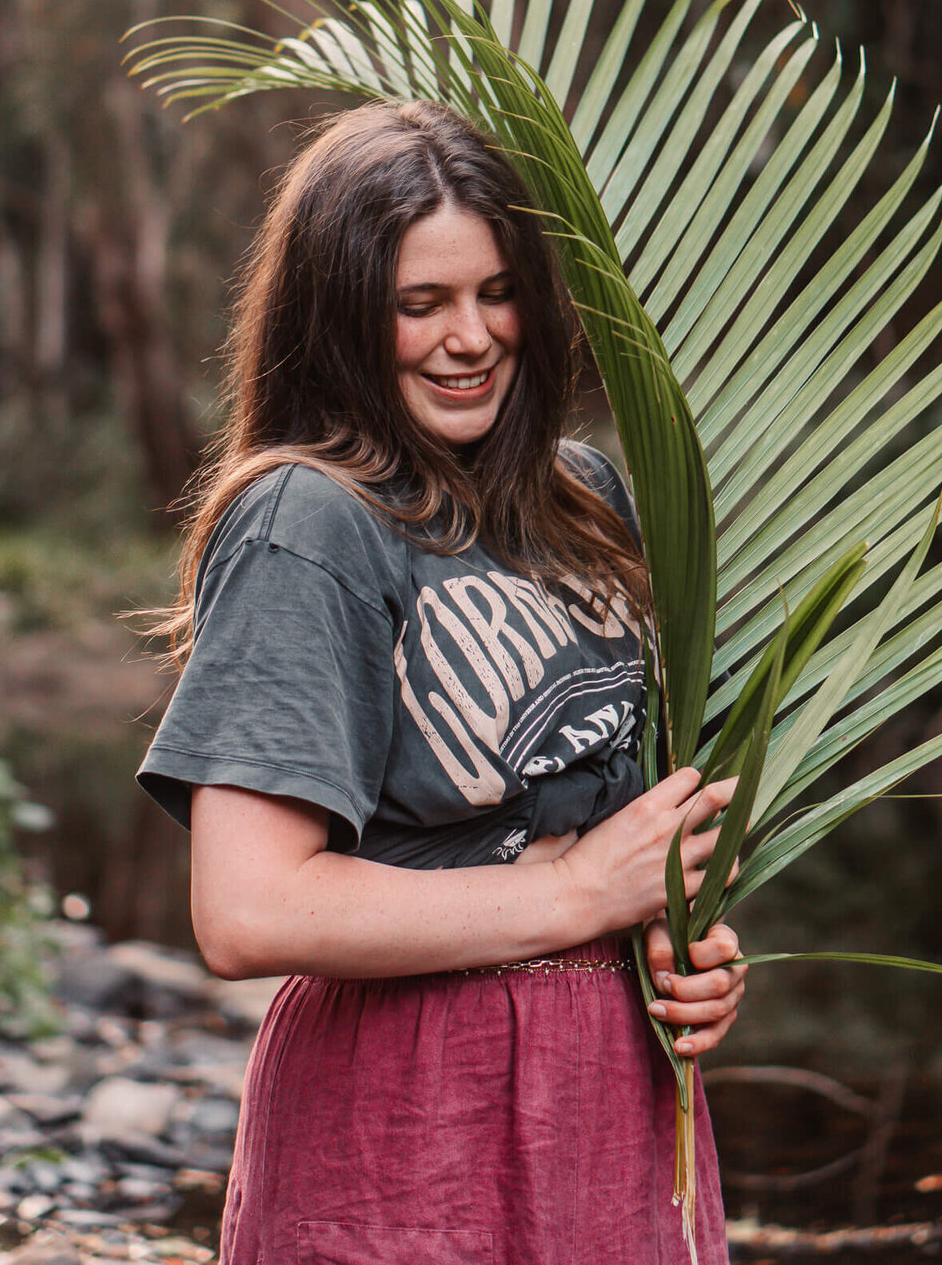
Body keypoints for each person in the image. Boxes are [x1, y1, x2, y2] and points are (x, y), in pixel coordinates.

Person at [138, 100, 746, 1265]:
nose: (471, 337)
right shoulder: (306, 525)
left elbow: (619, 827)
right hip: (408, 1118)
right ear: (340, 323)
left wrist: (684, 953)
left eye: (496, 292)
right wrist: (573, 900)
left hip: (615, 1109)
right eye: (420, 305)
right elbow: (248, 909)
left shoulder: (588, 498)